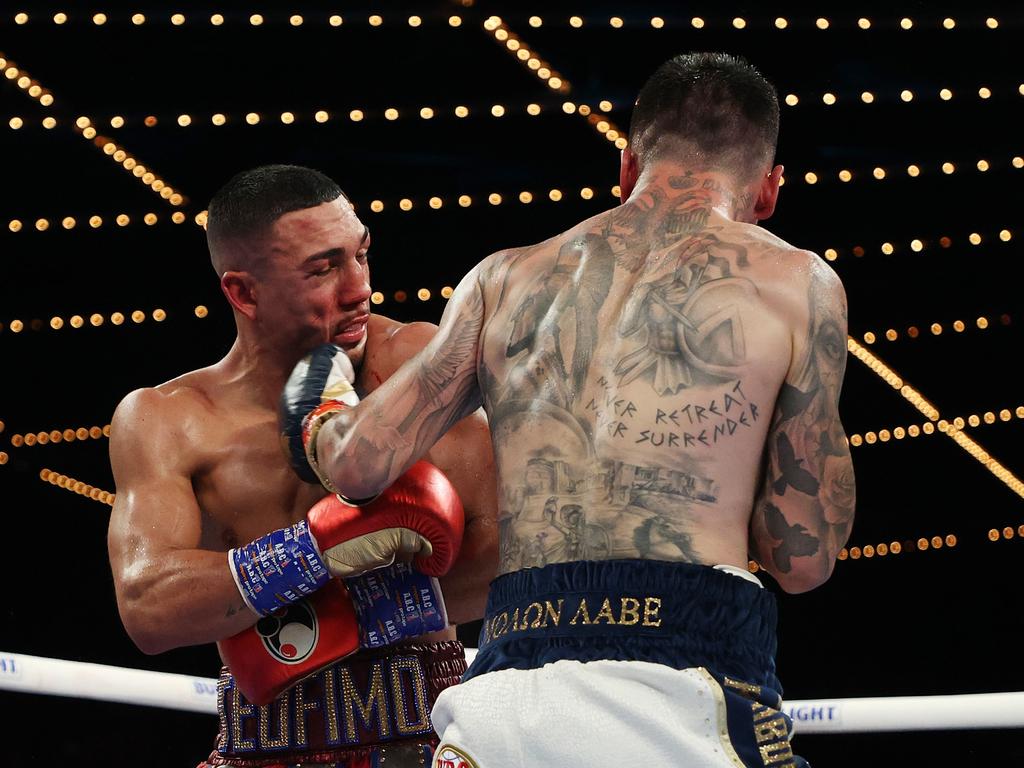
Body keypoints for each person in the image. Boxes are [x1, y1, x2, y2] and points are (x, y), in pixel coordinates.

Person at [283, 52, 856, 767]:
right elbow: (803, 558)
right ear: (769, 190)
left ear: (626, 165)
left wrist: (316, 401)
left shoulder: (500, 278)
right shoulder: (797, 281)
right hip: (684, 677)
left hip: (503, 690)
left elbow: (358, 463)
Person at [107, 165, 498, 768]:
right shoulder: (168, 417)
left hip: (422, 733)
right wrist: (315, 550)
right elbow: (148, 608)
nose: (358, 288)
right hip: (261, 741)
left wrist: (315, 606)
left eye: (361, 255)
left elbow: (509, 555)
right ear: (243, 292)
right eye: (323, 269)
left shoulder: (415, 369)